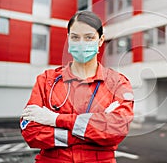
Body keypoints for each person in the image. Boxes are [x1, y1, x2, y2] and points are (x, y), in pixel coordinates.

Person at [20, 11, 134, 163]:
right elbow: (31, 132)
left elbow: (116, 130)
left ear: (100, 41)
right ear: (68, 39)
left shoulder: (117, 83)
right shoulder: (47, 80)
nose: (82, 43)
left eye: (89, 37)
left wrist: (56, 120)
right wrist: (90, 131)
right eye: (75, 37)